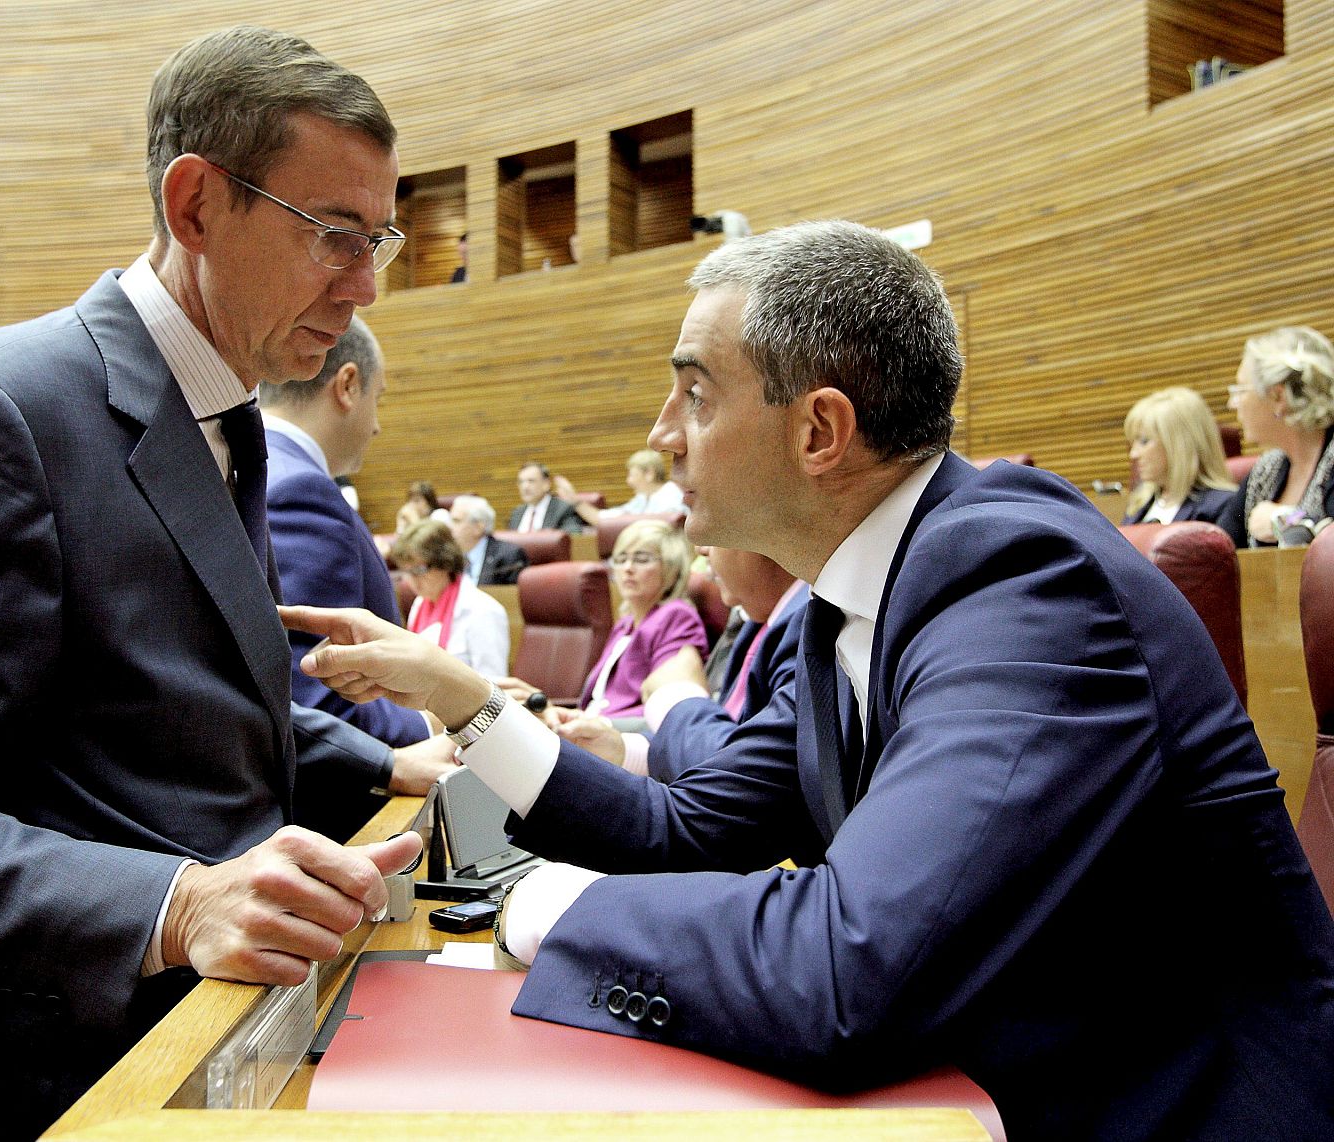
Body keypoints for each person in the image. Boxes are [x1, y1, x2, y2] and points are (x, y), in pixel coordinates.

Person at [284, 219, 1334, 1139]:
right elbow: (687, 826)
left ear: (819, 431)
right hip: (961, 1094)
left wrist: (549, 907)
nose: (659, 432)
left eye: (692, 392)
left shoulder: (1018, 580)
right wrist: (469, 706)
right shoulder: (844, 599)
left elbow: (846, 966)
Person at [0, 27, 422, 1142]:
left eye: (377, 239)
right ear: (196, 203)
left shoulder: (228, 414)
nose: (362, 284)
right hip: (32, 1086)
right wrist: (171, 904)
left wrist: (385, 764)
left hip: (196, 1055)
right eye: (332, 236)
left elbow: (173, 702)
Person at [259, 315, 458, 813]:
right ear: (348, 385)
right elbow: (315, 688)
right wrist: (445, 716)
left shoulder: (252, 467)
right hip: (332, 813)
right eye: (380, 397)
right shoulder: (298, 491)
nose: (377, 424)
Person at [553, 546, 807, 781]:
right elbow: (730, 738)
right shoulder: (756, 622)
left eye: (641, 559)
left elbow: (744, 773)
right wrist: (622, 749)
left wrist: (675, 696)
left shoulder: (805, 623)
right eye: (620, 559)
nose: (701, 549)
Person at [576, 518, 706, 720]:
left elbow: (669, 707)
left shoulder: (676, 617)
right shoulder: (624, 624)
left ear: (670, 568)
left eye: (642, 559)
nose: (627, 568)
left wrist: (595, 724)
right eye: (620, 559)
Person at [1219, 325, 1334, 546]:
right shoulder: (1265, 471)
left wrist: (1283, 520)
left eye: (1240, 391)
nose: (1231, 404)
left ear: (1277, 396)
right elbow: (1218, 548)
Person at [392, 518, 509, 676]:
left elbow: (494, 687)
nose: (412, 580)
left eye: (419, 570)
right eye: (406, 571)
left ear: (445, 563)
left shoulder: (484, 611)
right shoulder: (419, 604)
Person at [1119, 386, 1236, 525]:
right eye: (1133, 442)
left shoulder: (1221, 507)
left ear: (1179, 446)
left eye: (1144, 441)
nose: (1133, 454)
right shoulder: (1138, 505)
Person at [560, 448, 684, 525]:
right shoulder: (642, 499)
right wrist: (575, 501)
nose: (628, 482)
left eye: (632, 475)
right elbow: (606, 520)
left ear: (649, 474)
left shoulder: (671, 495)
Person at [448, 494, 529, 585]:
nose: (449, 527)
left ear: (478, 527)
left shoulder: (509, 557)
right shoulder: (448, 558)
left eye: (456, 521)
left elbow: (512, 597)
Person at [507, 461, 585, 532]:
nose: (525, 487)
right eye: (521, 482)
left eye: (531, 481)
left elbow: (573, 534)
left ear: (546, 484)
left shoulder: (563, 509)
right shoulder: (517, 513)